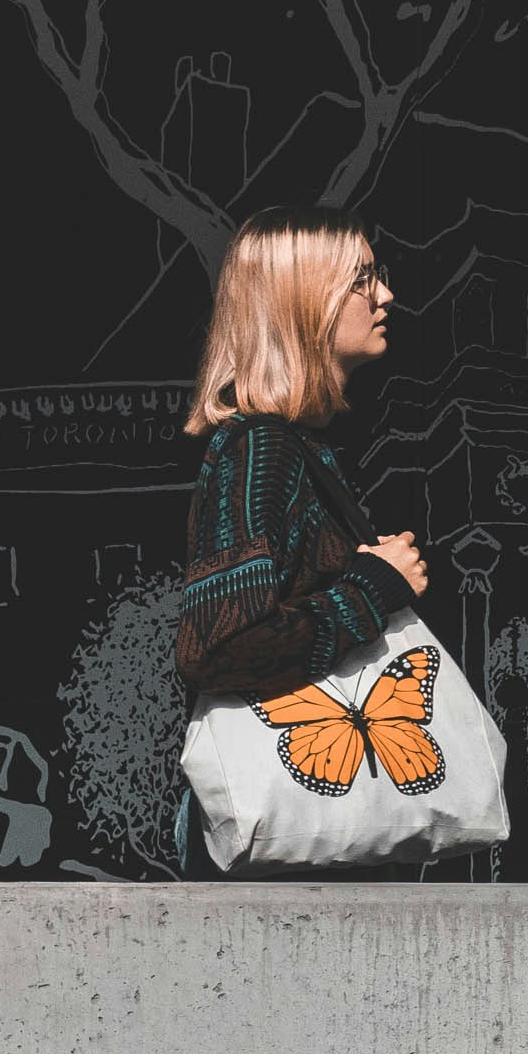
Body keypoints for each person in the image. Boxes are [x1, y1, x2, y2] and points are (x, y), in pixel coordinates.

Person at [170, 211, 429, 867]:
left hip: (303, 853)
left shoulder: (291, 448)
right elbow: (223, 644)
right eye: (360, 281)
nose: (386, 297)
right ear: (301, 303)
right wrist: (373, 590)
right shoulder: (261, 450)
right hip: (276, 872)